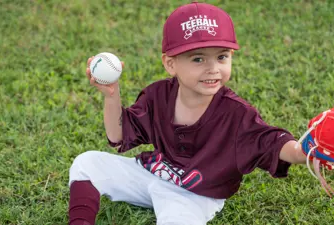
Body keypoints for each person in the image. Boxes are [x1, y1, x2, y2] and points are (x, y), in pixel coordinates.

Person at [68, 2, 307, 225]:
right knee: (86, 163)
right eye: (198, 58)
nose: (213, 68)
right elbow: (118, 135)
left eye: (221, 56)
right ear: (170, 64)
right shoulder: (158, 95)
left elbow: (269, 142)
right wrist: (112, 96)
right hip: (152, 172)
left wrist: (302, 151)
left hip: (195, 196)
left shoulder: (236, 114)